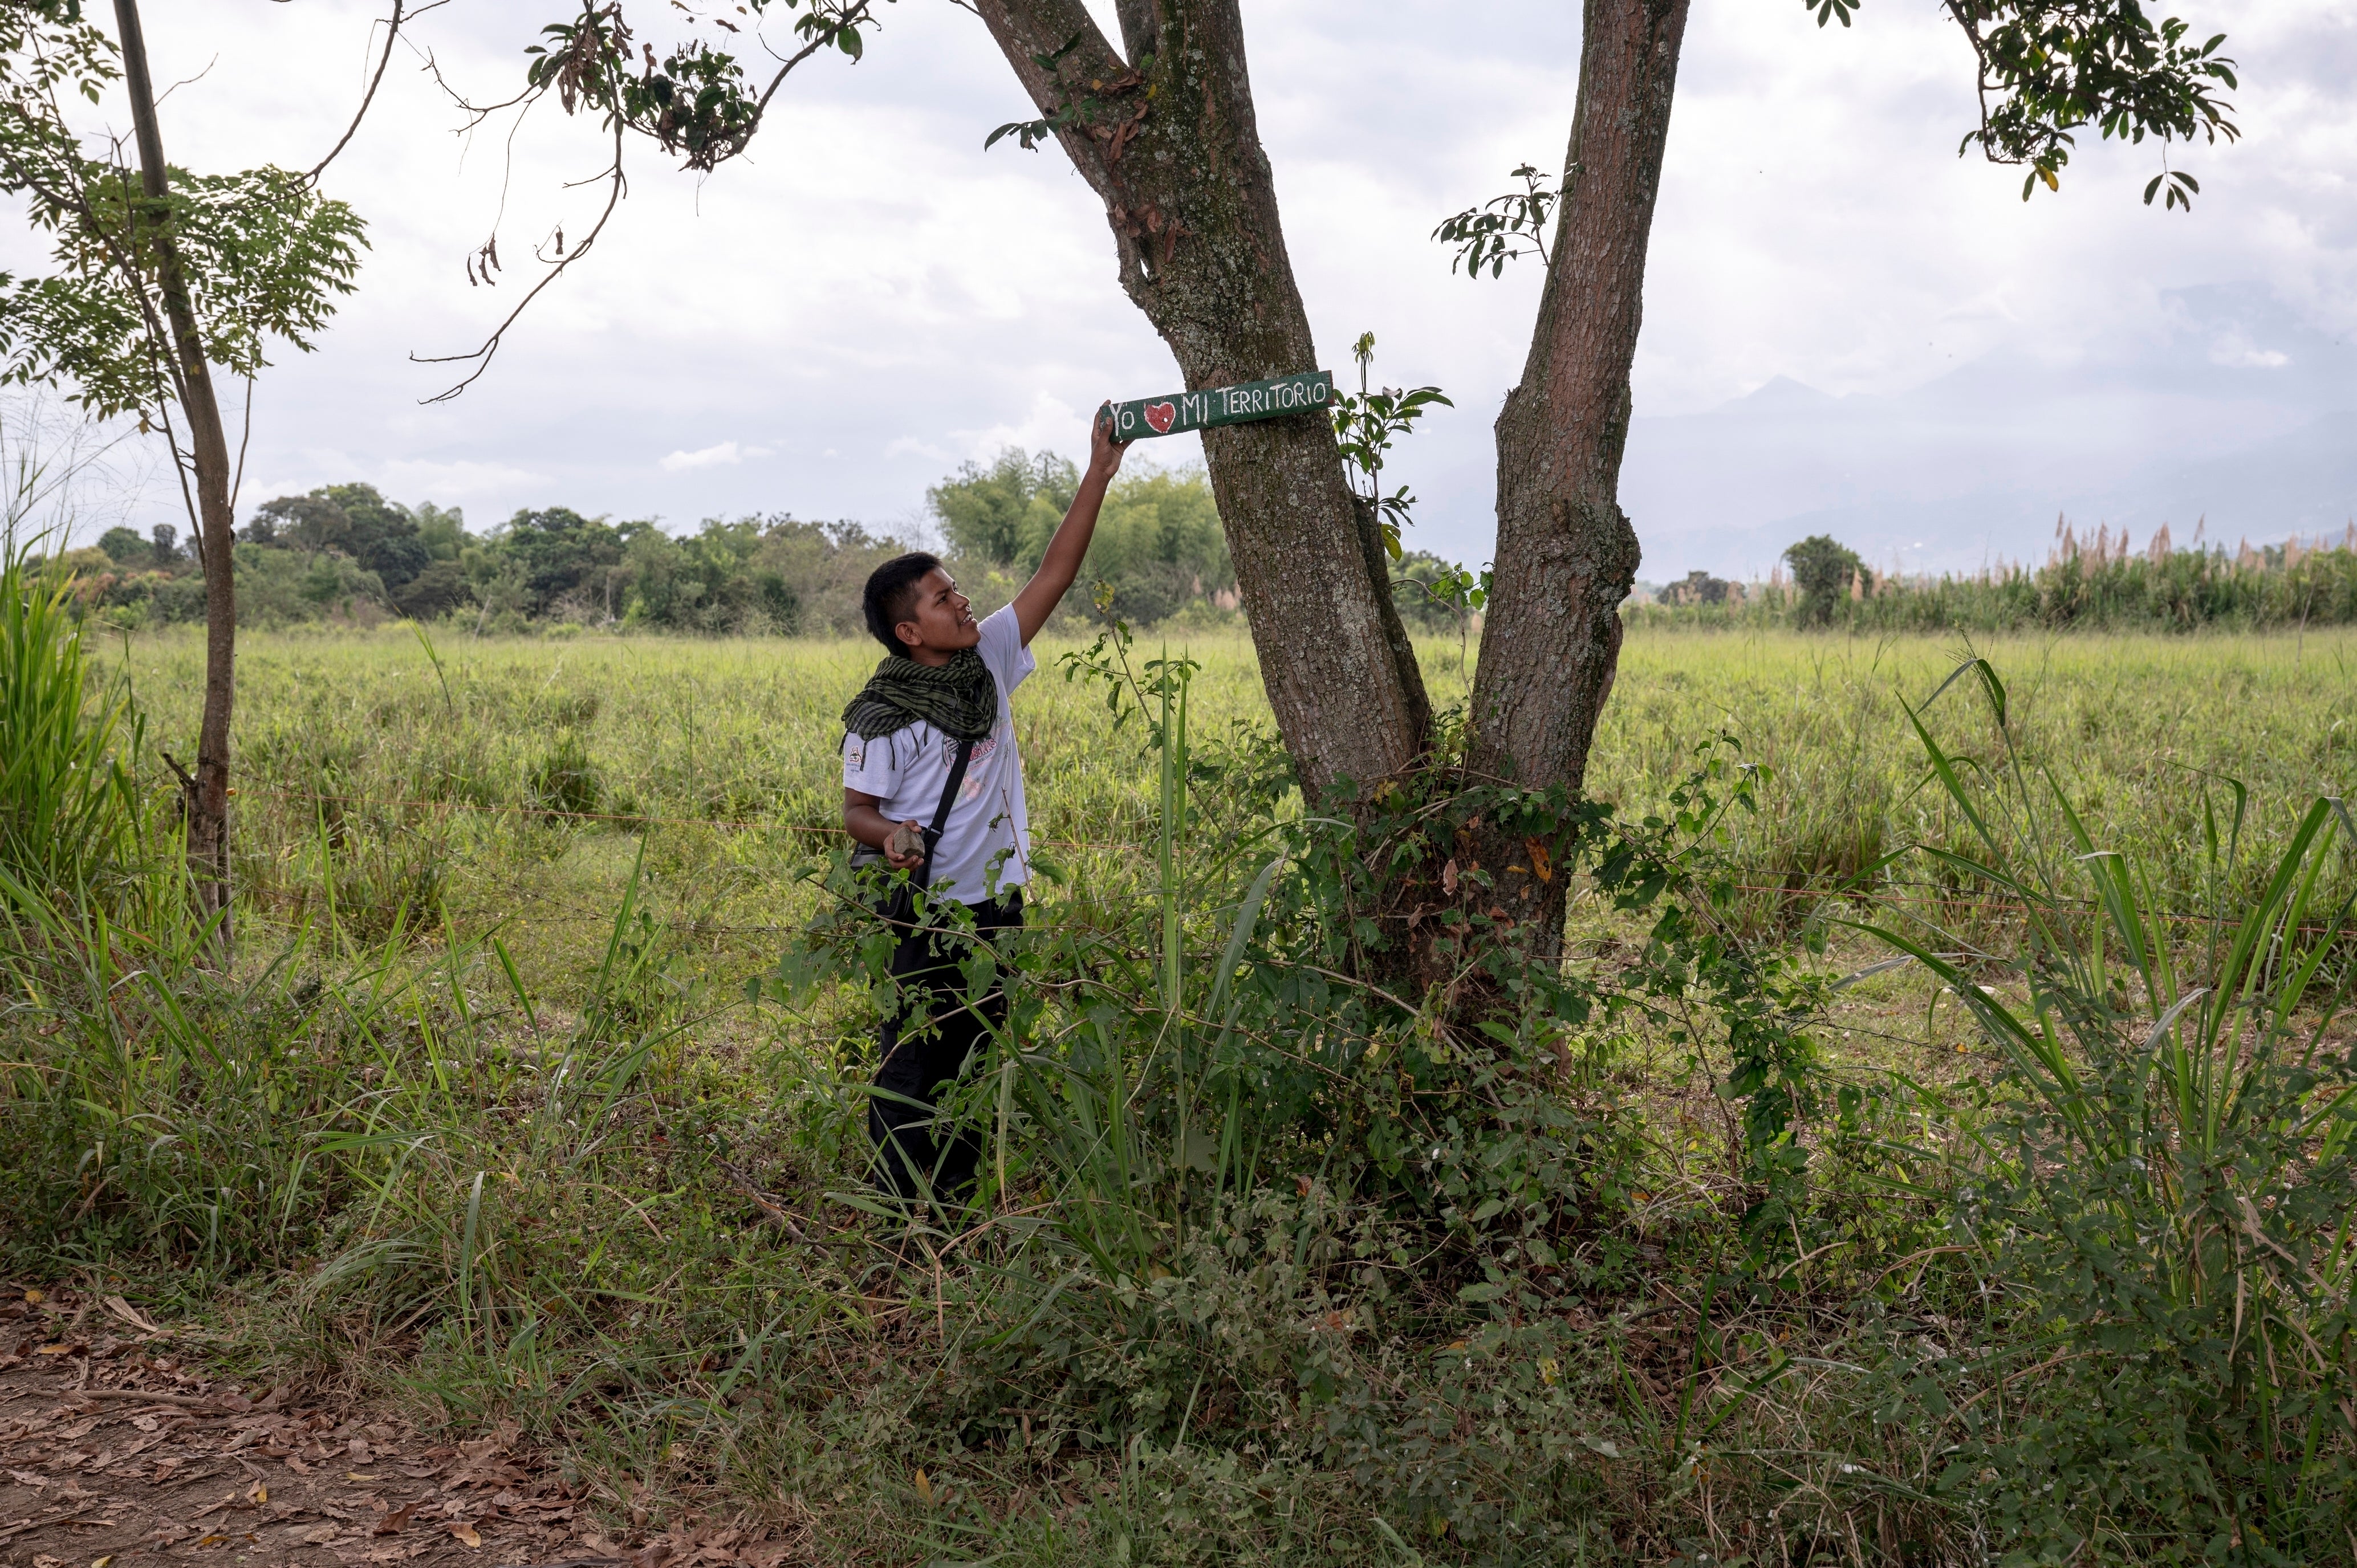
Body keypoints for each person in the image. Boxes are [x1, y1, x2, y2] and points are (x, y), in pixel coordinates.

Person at [841, 407, 1128, 1205]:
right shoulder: (884, 712)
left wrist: (1098, 471)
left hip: (996, 906)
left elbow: (1054, 575)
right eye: (940, 600)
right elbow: (855, 811)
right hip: (927, 909)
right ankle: (904, 1212)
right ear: (908, 632)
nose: (961, 602)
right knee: (916, 1060)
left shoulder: (991, 658)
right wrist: (890, 834)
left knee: (975, 1057)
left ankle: (956, 1208)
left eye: (955, 588)